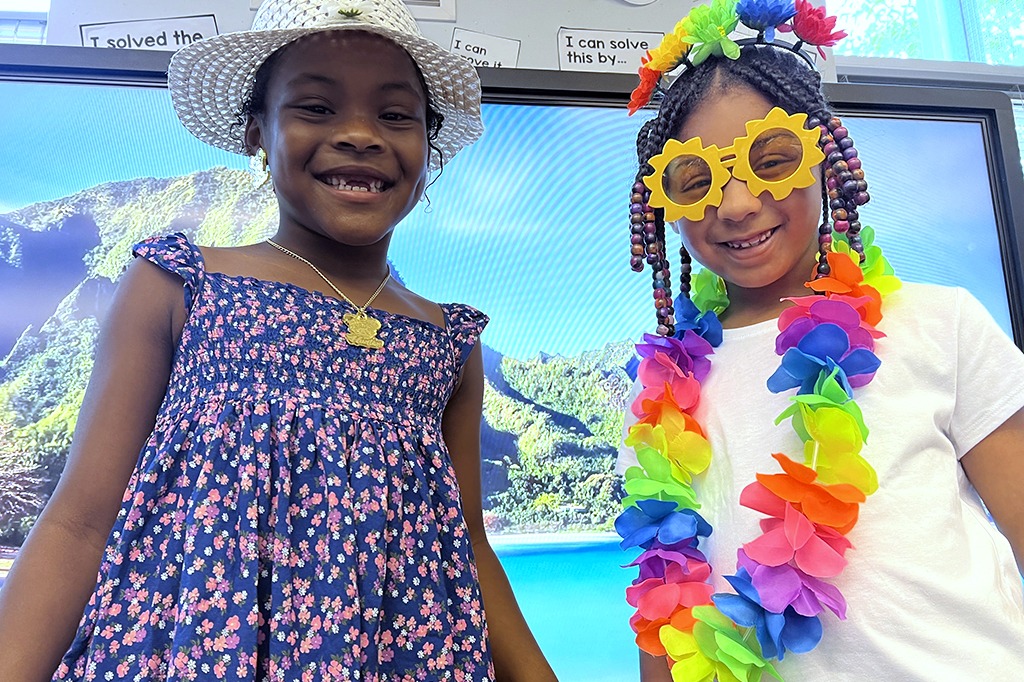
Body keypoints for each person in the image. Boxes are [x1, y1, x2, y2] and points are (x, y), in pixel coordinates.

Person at [0, 0, 556, 680]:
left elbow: (467, 545)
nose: (359, 134)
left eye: (395, 114)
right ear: (257, 133)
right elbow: (79, 524)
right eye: (315, 108)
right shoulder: (177, 284)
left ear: (428, 145)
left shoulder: (449, 343)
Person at [613, 1, 1024, 680]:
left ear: (824, 158)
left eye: (770, 160)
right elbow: (664, 603)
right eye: (696, 180)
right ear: (664, 208)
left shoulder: (940, 322)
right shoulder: (662, 394)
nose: (738, 203)